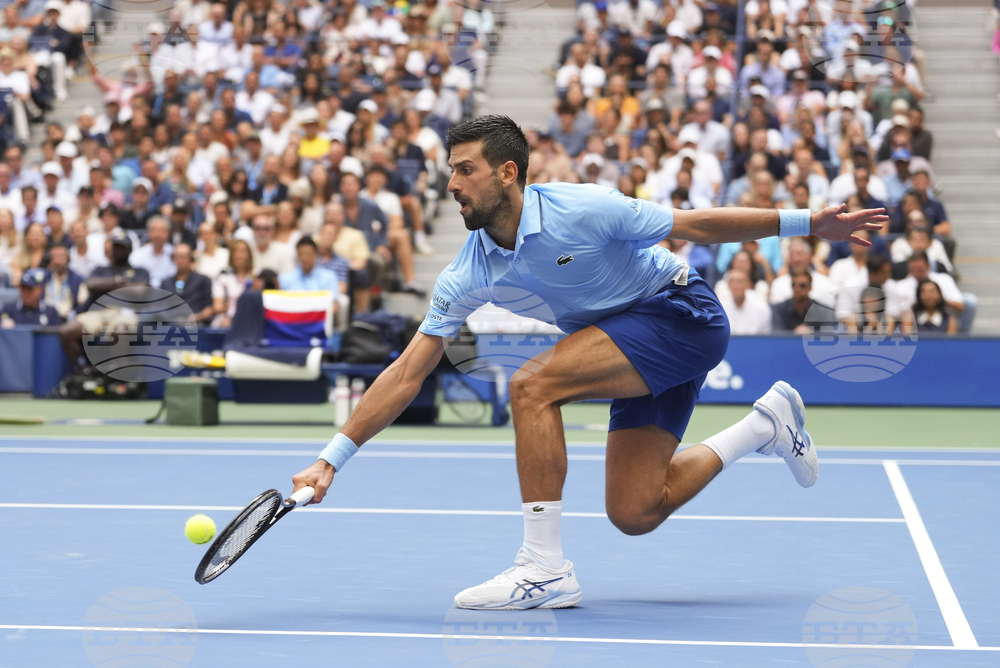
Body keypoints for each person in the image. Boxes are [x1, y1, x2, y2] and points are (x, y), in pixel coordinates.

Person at [289, 115, 885, 611]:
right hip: (626, 341)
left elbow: (696, 224)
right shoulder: (468, 271)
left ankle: (543, 567)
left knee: (532, 386)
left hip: (682, 315)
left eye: (464, 169)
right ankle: (766, 424)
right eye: (450, 171)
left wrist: (811, 222)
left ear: (507, 172)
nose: (453, 184)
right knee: (636, 509)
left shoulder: (583, 209)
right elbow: (407, 372)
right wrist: (329, 458)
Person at [160, 243, 215, 325]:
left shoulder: (203, 280)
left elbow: (210, 307)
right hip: (171, 325)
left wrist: (198, 317)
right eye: (177, 256)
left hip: (197, 324)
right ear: (173, 259)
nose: (180, 260)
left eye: (183, 256)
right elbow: (161, 307)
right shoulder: (165, 283)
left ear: (190, 258)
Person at [771, 268, 836, 333]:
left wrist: (811, 334)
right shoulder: (780, 309)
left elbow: (829, 335)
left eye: (802, 286)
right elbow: (777, 335)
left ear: (810, 287)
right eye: (794, 285)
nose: (797, 289)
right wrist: (794, 334)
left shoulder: (823, 310)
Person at [718, 267, 771, 334]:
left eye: (740, 281)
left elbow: (766, 339)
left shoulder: (761, 308)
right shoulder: (720, 309)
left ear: (749, 284)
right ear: (728, 285)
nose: (736, 285)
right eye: (732, 281)